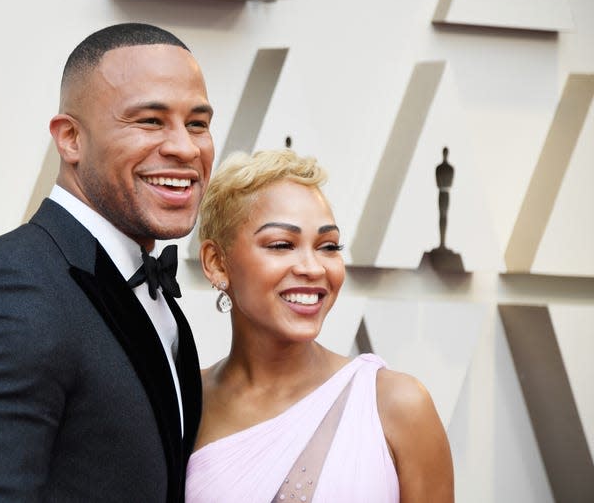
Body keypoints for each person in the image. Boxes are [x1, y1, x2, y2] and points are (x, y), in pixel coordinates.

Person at [0, 23, 215, 502]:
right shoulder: (8, 295)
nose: (185, 147)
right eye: (150, 121)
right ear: (70, 138)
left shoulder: (135, 280)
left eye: (197, 123)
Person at [186, 150, 453, 502]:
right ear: (217, 263)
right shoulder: (183, 404)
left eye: (328, 246)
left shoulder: (397, 404)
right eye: (282, 245)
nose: (313, 268)